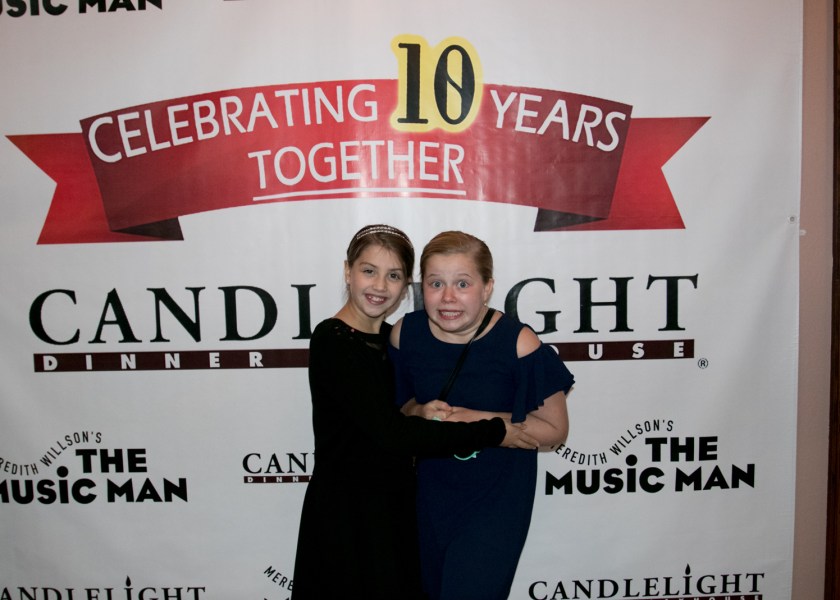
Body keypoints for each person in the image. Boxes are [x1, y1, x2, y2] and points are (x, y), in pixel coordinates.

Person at [291, 224, 538, 600]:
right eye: (368, 271)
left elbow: (400, 411)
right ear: (347, 272)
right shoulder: (334, 340)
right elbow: (392, 433)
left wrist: (419, 409)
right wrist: (493, 430)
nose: (379, 286)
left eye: (393, 275)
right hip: (349, 515)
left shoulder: (392, 338)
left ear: (407, 284)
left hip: (396, 508)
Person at [389, 230, 575, 600]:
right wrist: (419, 411)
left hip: (495, 503)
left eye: (463, 283)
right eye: (436, 283)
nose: (448, 297)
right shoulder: (405, 334)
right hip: (425, 501)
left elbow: (555, 430)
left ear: (487, 287)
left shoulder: (518, 342)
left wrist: (477, 420)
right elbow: (396, 411)